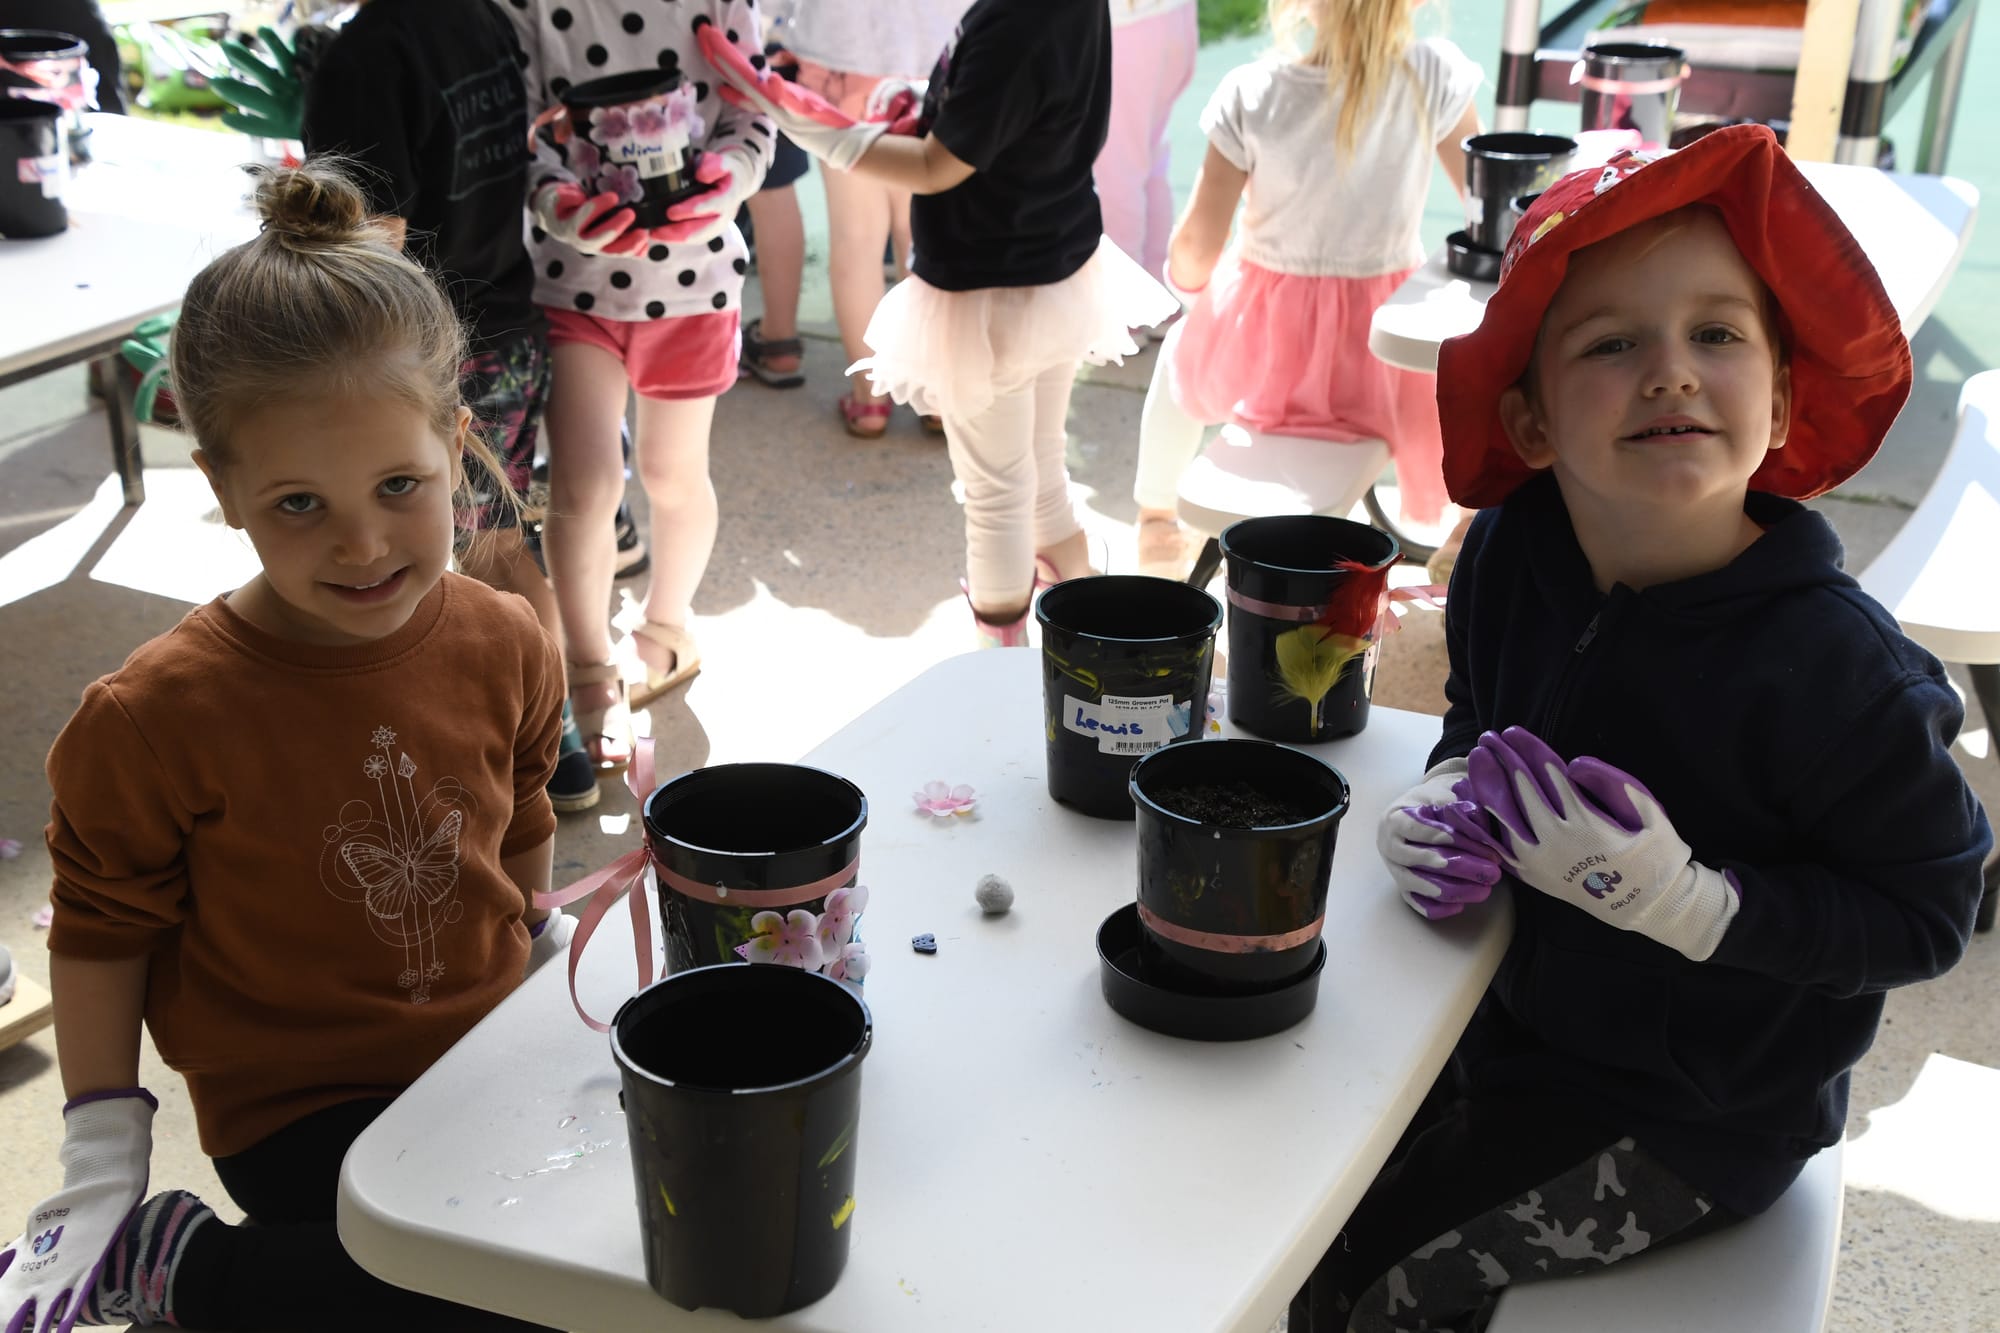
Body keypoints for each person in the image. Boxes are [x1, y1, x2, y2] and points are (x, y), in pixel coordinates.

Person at [1323, 126, 1994, 1332]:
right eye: (1612, 341)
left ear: (1782, 399)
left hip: (1694, 1111)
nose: (1671, 371)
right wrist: (1438, 797)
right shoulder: (1509, 552)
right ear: (1528, 424)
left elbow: (1931, 911)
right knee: (1293, 1166)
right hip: (1504, 1019)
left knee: (1356, 1284)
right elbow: (1478, 716)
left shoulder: (1842, 675)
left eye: (1717, 335)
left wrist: (1701, 906)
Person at [0, 160, 574, 1332]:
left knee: (615, 1237)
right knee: (484, 1295)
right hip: (296, 1107)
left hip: (480, 1041)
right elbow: (105, 936)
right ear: (222, 482)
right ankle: (183, 1268)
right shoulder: (153, 716)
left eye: (399, 485)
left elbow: (518, 808)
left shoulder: (507, 632)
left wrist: (535, 929)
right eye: (299, 504)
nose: (362, 545)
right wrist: (103, 1149)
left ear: (458, 443)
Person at [214, 0, 604, 812]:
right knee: (496, 542)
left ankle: (531, 737)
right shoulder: (482, 17)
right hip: (504, 322)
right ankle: (554, 737)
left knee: (448, 559)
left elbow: (375, 240)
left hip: (424, 361)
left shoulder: (366, 58)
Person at [705, 0, 1175, 644]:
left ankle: (999, 661)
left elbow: (935, 166)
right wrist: (921, 100)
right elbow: (1010, 107)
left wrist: (819, 131)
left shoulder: (1017, 24)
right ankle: (1083, 612)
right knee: (1038, 466)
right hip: (1055, 261)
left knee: (995, 493)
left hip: (991, 286)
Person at [503, 0, 773, 768]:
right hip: (572, 283)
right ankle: (587, 666)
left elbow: (753, 111)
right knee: (584, 489)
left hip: (695, 283)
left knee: (672, 474)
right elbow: (517, 128)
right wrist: (553, 200)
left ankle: (664, 628)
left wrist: (729, 182)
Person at [1128, 0, 1481, 578]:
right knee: (1476, 370)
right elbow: (1484, 202)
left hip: (1274, 362)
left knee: (1178, 353)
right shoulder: (1433, 75)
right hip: (1384, 363)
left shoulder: (1253, 92)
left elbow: (1197, 247)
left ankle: (1158, 518)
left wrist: (1189, 290)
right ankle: (1469, 522)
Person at [776, 0, 966, 437]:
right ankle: (934, 397)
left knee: (855, 238)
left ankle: (869, 399)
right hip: (934, 57)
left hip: (841, 55)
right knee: (922, 234)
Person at [1094, 0, 1197, 314]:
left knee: (1119, 173)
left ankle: (1129, 310)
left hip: (1128, 26)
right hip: (1171, 20)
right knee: (1149, 161)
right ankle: (1157, 293)